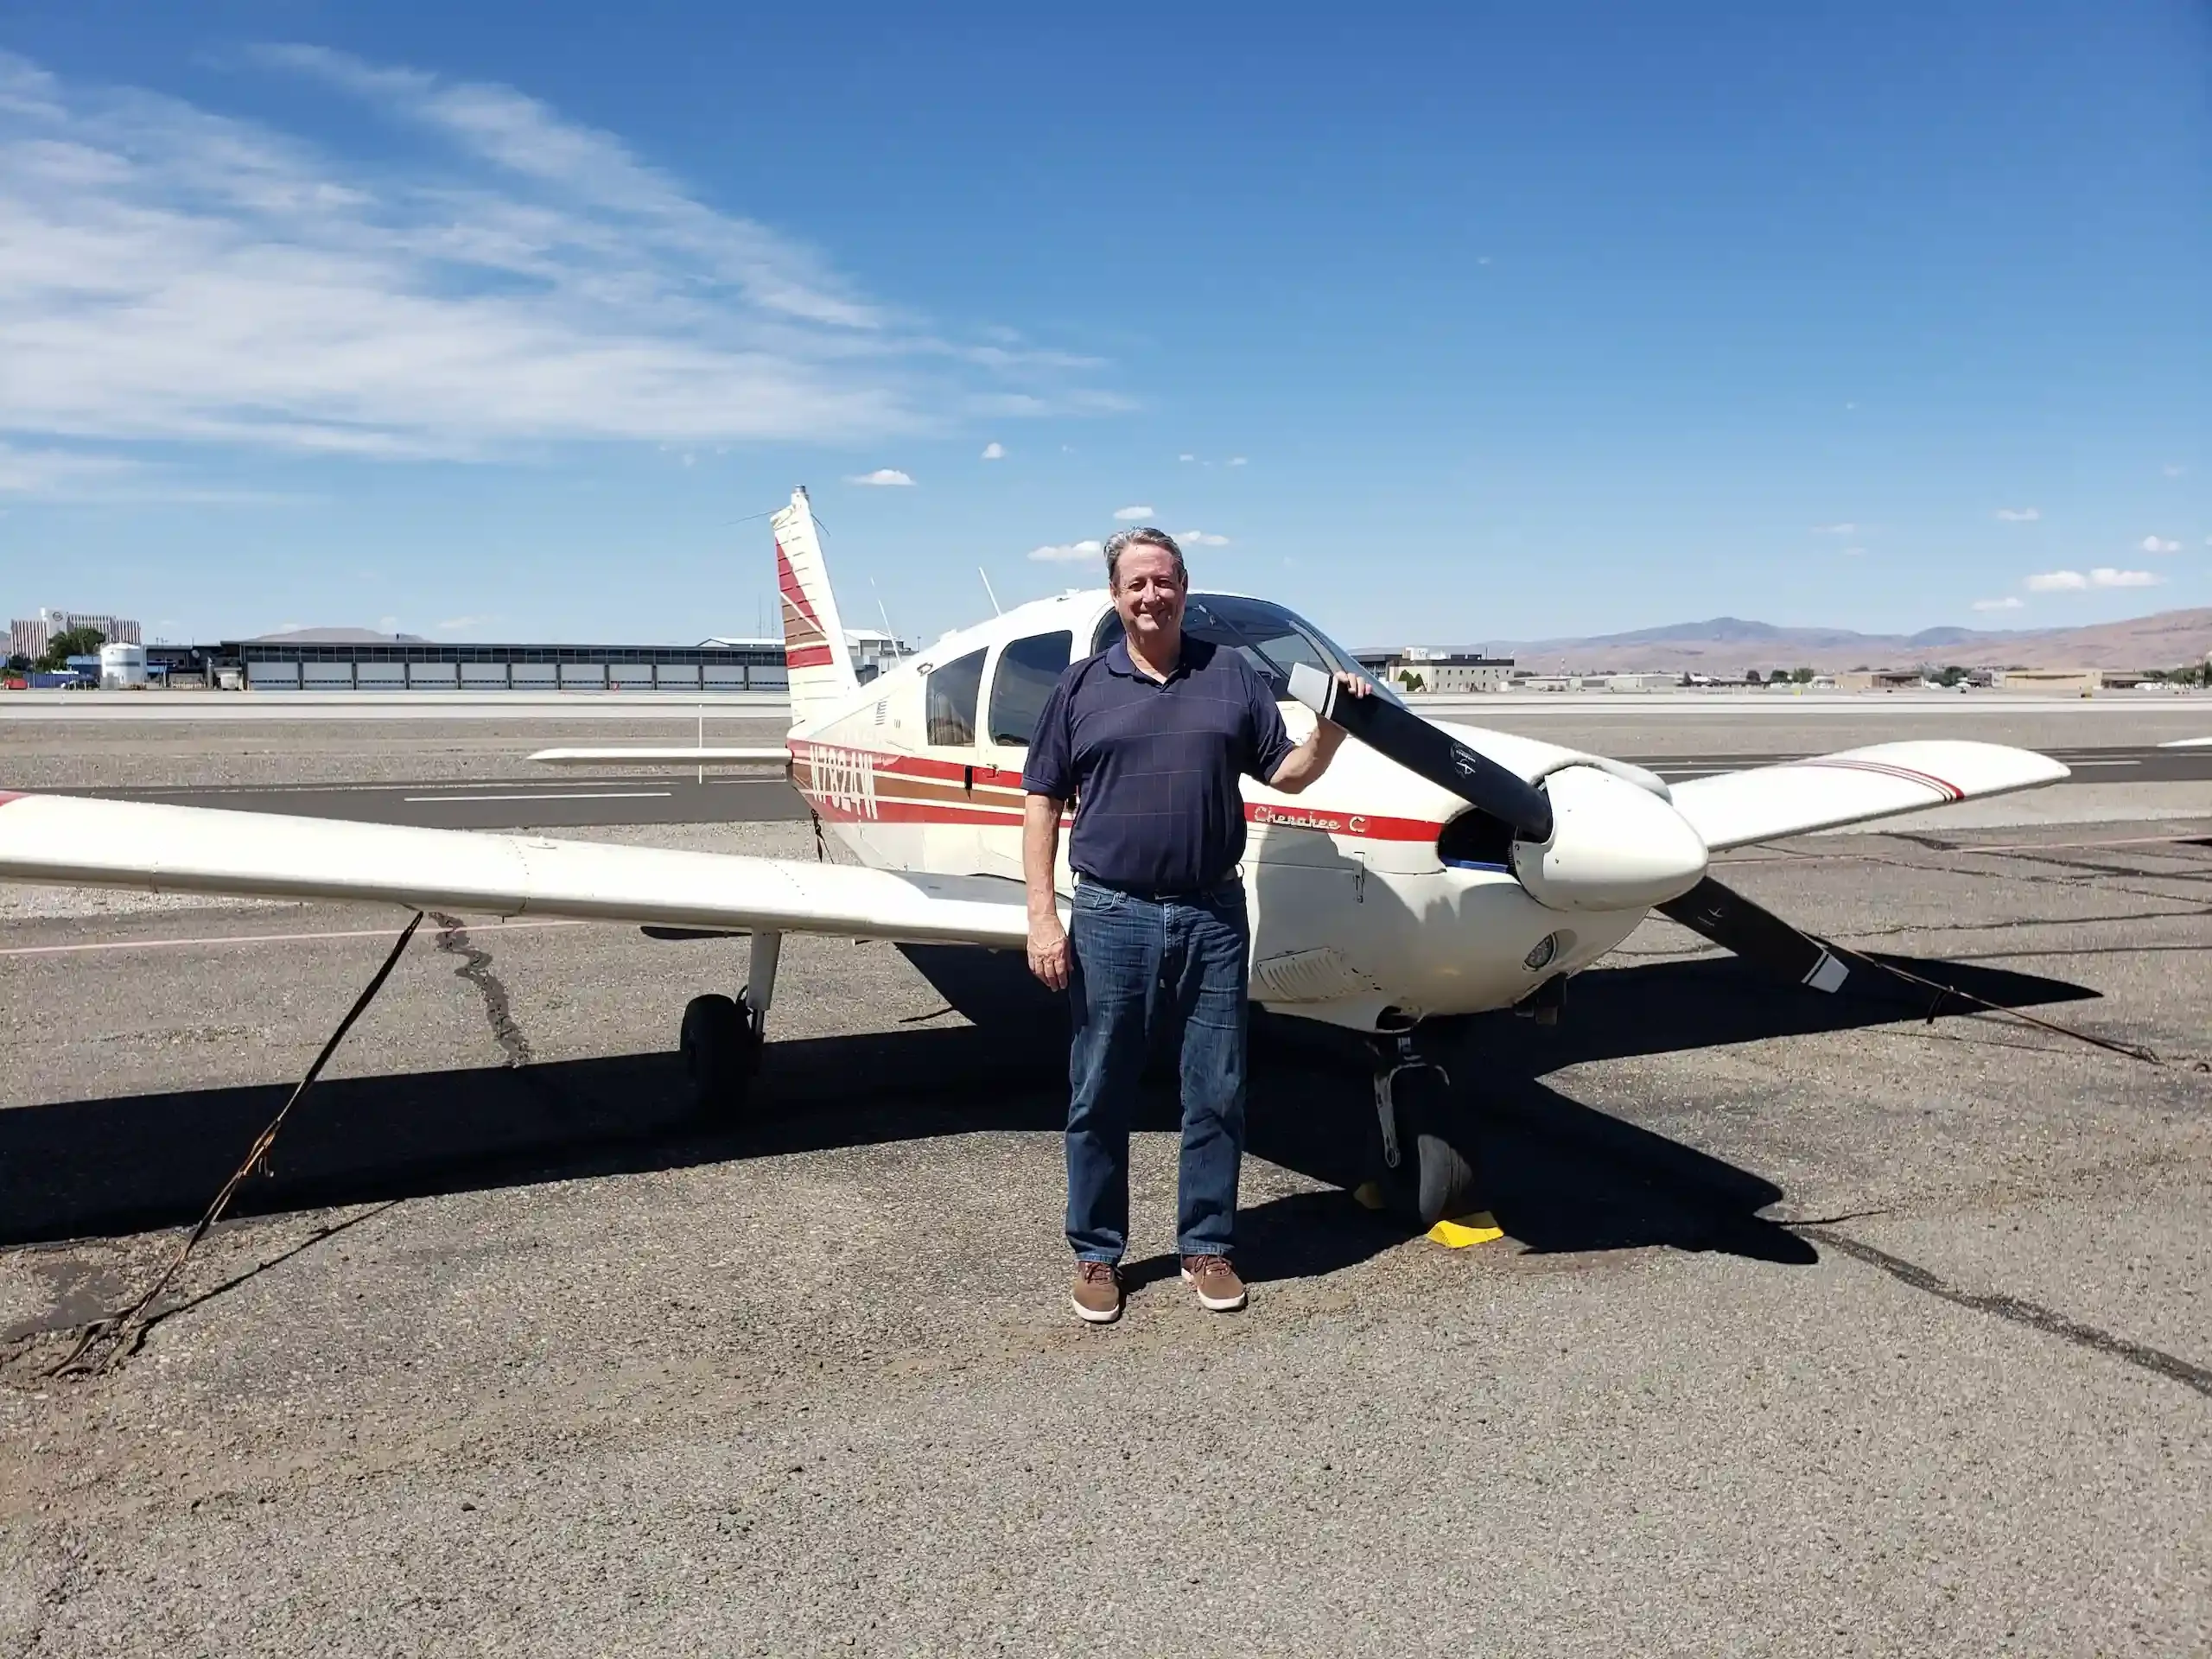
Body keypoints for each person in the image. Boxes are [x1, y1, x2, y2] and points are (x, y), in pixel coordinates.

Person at [1020, 527, 1369, 1324]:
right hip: (1112, 912)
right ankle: (1098, 1255)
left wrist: (1334, 730)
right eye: (1136, 583)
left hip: (1213, 911)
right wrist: (1044, 918)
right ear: (1117, 596)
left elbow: (1286, 770)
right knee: (1099, 1087)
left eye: (1165, 580)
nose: (1152, 595)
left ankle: (1207, 1244)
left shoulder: (1232, 677)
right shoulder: (1080, 688)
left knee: (1217, 1088)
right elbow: (1041, 798)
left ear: (1185, 586)